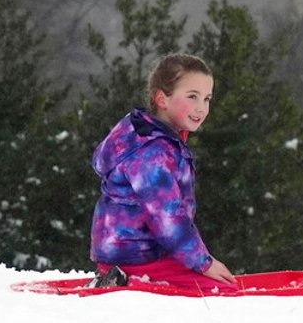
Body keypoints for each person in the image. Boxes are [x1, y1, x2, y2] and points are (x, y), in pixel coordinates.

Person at [88, 53, 239, 293]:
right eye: (192, 97)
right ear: (162, 98)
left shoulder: (154, 136)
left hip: (135, 250)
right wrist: (203, 262)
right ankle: (127, 283)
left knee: (218, 284)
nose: (202, 107)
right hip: (135, 255)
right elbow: (167, 216)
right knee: (221, 291)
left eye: (207, 98)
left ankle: (120, 277)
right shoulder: (151, 152)